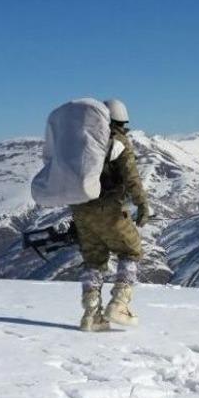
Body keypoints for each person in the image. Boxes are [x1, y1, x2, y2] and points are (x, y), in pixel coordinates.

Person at [71, 99, 152, 332]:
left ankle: (91, 315)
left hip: (80, 210)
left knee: (93, 261)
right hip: (108, 208)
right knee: (131, 251)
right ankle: (119, 304)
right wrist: (142, 204)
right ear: (120, 121)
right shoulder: (117, 141)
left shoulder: (81, 140)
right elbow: (131, 177)